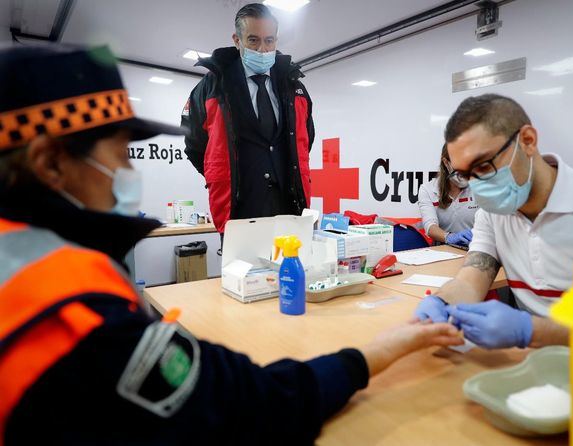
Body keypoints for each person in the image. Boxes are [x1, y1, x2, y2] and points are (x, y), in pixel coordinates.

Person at [0, 44, 463, 445]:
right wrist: (381, 351)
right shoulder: (71, 313)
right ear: (50, 163)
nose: (128, 172)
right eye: (120, 154)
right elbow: (247, 405)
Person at [415, 93, 573, 350]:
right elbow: (471, 280)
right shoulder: (492, 213)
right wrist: (442, 303)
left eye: (484, 166)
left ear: (527, 141)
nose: (477, 185)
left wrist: (531, 331)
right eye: (465, 174)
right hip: (533, 366)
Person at [181, 3, 314, 249]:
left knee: (291, 281)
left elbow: (305, 142)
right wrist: (224, 176)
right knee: (242, 283)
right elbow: (195, 147)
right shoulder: (211, 89)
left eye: (269, 40)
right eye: (253, 40)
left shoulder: (293, 87)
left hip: (290, 211)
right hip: (240, 212)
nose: (262, 49)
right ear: (237, 40)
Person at [417, 142, 478, 247]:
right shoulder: (428, 190)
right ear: (446, 162)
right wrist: (449, 237)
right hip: (443, 250)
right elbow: (430, 226)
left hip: (476, 248)